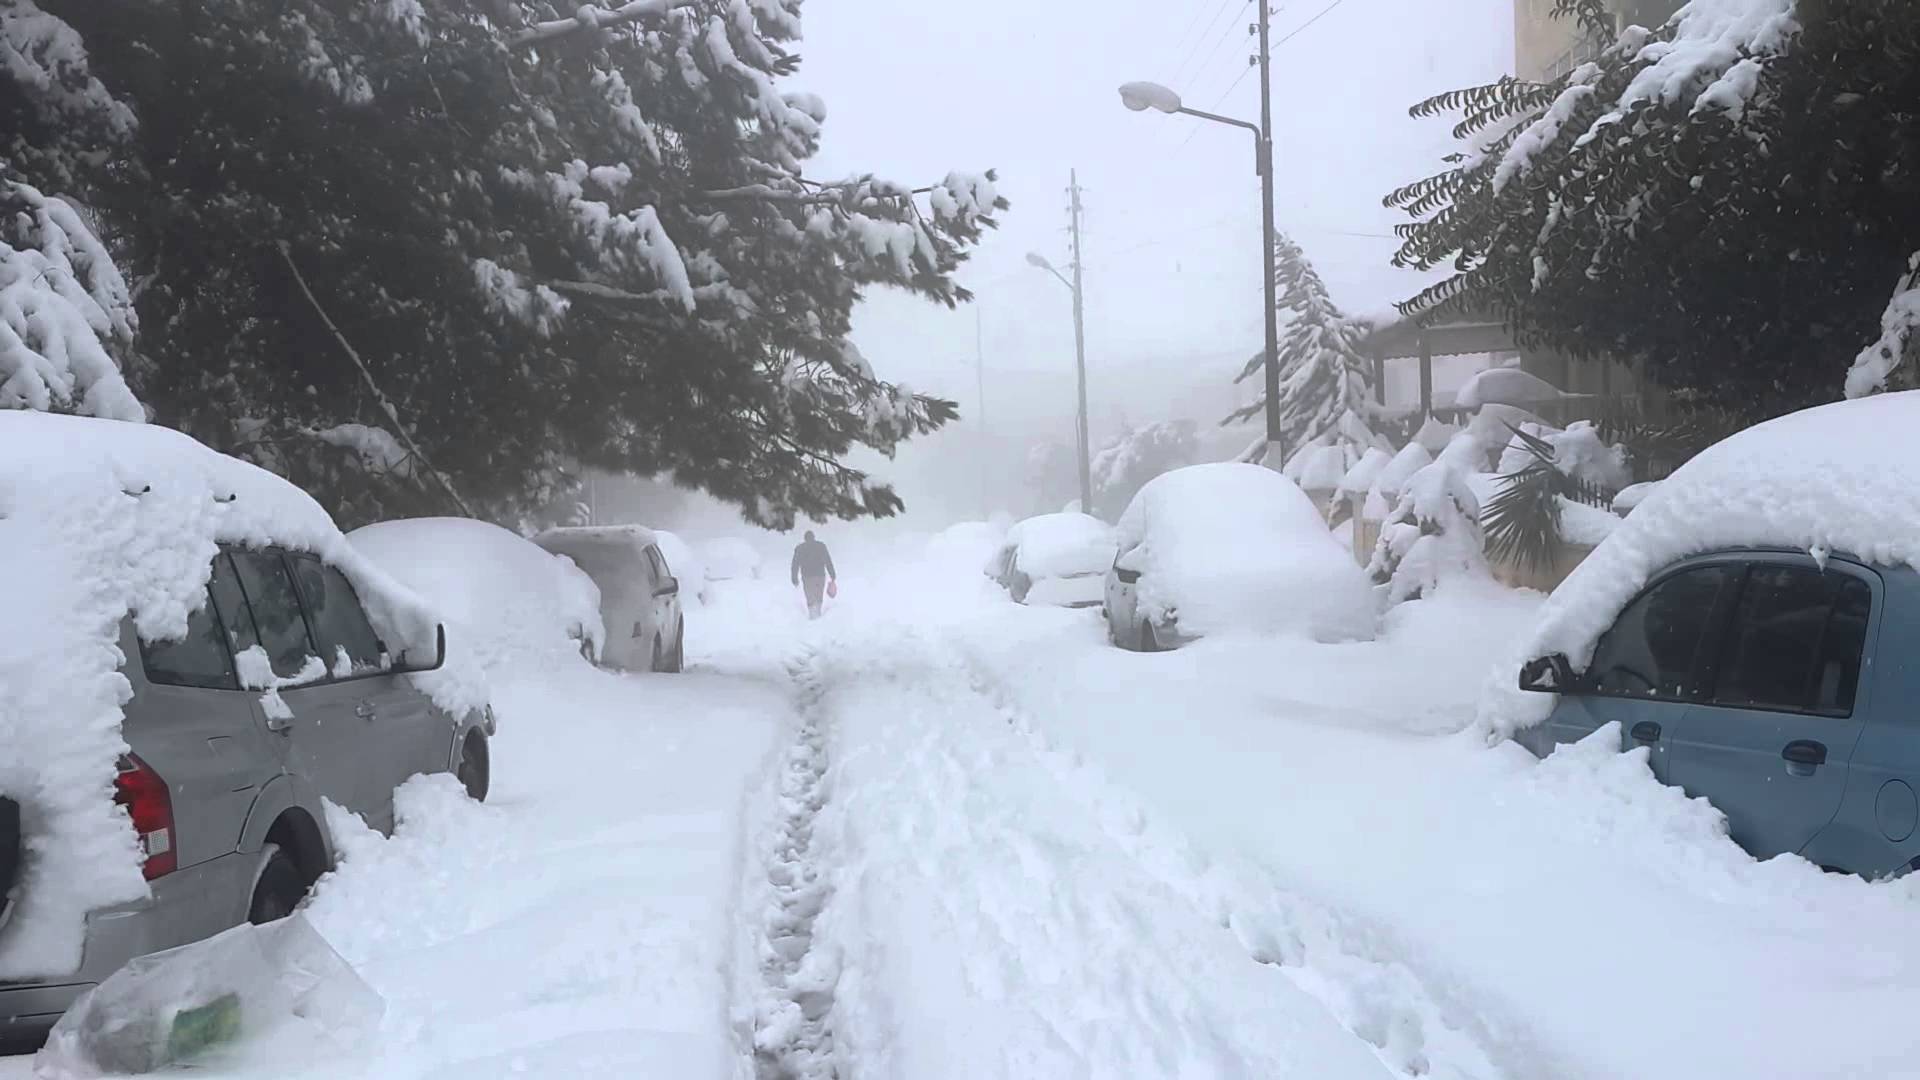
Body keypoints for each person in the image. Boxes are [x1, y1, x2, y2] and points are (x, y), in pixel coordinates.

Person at [790, 530, 837, 619]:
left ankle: (812, 613)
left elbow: (795, 564)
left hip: (807, 576)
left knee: (809, 594)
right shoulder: (821, 546)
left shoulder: (800, 548)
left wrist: (794, 578)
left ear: (805, 539)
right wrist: (832, 574)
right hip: (820, 575)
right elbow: (828, 560)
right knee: (818, 593)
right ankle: (818, 611)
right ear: (814, 537)